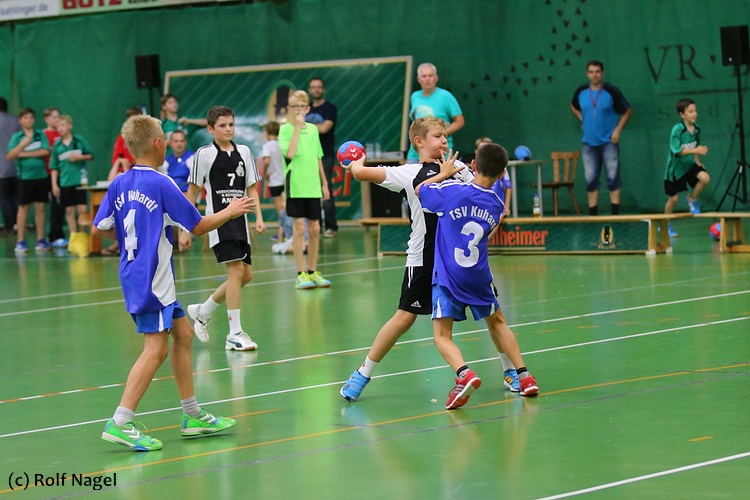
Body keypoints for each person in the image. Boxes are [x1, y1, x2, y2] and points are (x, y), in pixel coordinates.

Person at [93, 114, 252, 451]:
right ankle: (120, 421)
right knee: (156, 349)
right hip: (153, 280)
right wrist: (231, 210)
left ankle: (192, 415)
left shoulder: (119, 182)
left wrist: (137, 234)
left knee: (184, 333)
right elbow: (198, 226)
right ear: (157, 143)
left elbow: (100, 227)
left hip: (134, 273)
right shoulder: (162, 183)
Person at [339, 117, 523, 403]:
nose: (444, 141)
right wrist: (356, 160)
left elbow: (482, 196)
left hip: (458, 260)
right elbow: (361, 174)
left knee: (494, 317)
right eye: (438, 136)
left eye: (445, 135)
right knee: (404, 318)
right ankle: (363, 374)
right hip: (424, 258)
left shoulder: (460, 169)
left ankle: (511, 371)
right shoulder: (408, 172)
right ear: (419, 141)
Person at [415, 143, 540, 409]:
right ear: (502, 173)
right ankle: (525, 377)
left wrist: (443, 173)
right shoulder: (496, 204)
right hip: (479, 274)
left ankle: (464, 374)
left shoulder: (451, 191)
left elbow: (420, 190)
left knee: (441, 336)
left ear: (473, 165)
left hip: (449, 275)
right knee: (498, 323)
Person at [181, 105, 265, 351]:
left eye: (231, 124)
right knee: (236, 271)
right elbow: (193, 192)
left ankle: (203, 310)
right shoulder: (204, 154)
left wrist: (258, 217)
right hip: (219, 221)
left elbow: (252, 188)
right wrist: (185, 229)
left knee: (245, 275)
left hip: (241, 222)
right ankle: (234, 333)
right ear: (210, 129)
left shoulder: (244, 152)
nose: (228, 129)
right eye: (222, 125)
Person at [279, 90, 331, 290]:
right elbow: (290, 154)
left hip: (313, 186)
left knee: (315, 229)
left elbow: (318, 158)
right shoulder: (285, 130)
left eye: (302, 106)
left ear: (308, 108)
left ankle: (312, 271)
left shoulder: (313, 130)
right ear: (289, 109)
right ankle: (300, 273)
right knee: (299, 229)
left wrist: (324, 183)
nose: (299, 110)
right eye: (295, 106)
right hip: (296, 185)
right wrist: (296, 128)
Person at [570, 60, 632, 216]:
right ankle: (593, 215)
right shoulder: (581, 91)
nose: (594, 75)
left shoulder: (611, 91)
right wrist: (581, 118)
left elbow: (627, 111)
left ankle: (615, 215)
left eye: (597, 72)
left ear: (602, 73)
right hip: (588, 143)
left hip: (609, 142)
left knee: (613, 177)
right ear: (587, 74)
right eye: (591, 72)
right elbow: (573, 105)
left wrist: (618, 130)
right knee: (590, 179)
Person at [5, 108, 51, 254]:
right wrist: (22, 144)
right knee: (23, 208)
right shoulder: (17, 137)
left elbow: (45, 151)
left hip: (41, 176)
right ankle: (20, 241)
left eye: (31, 117)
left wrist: (24, 154)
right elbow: (10, 155)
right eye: (25, 118)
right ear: (20, 120)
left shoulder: (40, 135)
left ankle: (40, 239)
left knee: (40, 207)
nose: (28, 120)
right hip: (24, 178)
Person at [663, 98, 710, 237]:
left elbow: (696, 145)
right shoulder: (677, 129)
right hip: (675, 170)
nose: (694, 114)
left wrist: (697, 161)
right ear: (682, 114)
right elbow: (677, 151)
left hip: (689, 164)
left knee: (705, 178)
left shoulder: (697, 129)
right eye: (690, 112)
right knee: (673, 199)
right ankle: (665, 225)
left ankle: (692, 198)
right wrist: (696, 151)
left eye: (695, 111)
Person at [406, 63, 464, 162]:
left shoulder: (446, 96)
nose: (427, 79)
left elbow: (459, 121)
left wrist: (439, 134)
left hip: (440, 151)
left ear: (436, 78)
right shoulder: (414, 96)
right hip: (416, 152)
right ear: (419, 79)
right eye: (424, 76)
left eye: (430, 75)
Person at [49, 115, 94, 240]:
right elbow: (54, 167)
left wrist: (80, 157)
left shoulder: (79, 140)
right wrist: (54, 184)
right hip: (65, 182)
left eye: (63, 125)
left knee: (82, 209)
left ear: (70, 126)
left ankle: (83, 235)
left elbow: (90, 155)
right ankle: (74, 237)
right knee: (69, 210)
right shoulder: (57, 145)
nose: (60, 128)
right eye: (58, 126)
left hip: (80, 182)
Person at [104, 107, 142, 256]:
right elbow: (117, 161)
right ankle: (121, 241)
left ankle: (123, 243)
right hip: (127, 179)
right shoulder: (121, 139)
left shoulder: (146, 138)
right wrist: (123, 164)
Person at [306, 77, 339, 237]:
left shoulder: (330, 108)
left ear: (323, 89)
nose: (316, 90)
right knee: (311, 192)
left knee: (326, 190)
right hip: (306, 156)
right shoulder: (306, 108)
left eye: (319, 87)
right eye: (313, 87)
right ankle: (316, 226)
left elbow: (325, 128)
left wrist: (303, 127)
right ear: (309, 90)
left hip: (325, 155)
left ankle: (331, 226)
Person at [261, 121, 291, 243]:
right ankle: (288, 232)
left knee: (280, 209)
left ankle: (283, 234)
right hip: (285, 178)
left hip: (274, 180)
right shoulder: (281, 143)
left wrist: (265, 172)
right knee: (287, 206)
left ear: (267, 132)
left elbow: (267, 161)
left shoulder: (267, 145)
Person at [43, 107, 67, 248]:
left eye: (58, 116)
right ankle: (52, 236)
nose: (57, 120)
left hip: (62, 175)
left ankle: (58, 234)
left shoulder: (63, 134)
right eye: (54, 117)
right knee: (52, 205)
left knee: (61, 205)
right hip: (47, 174)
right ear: (46, 119)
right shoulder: (43, 135)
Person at [0, 97, 20, 235]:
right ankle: (18, 225)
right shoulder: (16, 121)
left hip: (2, 169)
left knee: (5, 198)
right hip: (18, 166)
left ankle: (9, 226)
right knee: (17, 198)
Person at [160, 129, 194, 193]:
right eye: (176, 141)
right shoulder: (165, 162)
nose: (179, 144)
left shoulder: (193, 158)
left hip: (189, 196)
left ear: (186, 143)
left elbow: (200, 183)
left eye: (182, 141)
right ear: (170, 143)